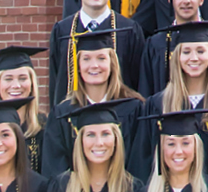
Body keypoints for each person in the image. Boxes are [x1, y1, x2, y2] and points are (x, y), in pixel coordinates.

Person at [132, 22, 208, 192]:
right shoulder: (158, 104)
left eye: (200, 51)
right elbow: (142, 162)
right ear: (176, 57)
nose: (194, 58)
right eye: (186, 52)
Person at [43, 26, 144, 179]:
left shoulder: (134, 108)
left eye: (101, 58)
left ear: (112, 63)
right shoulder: (62, 114)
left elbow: (139, 165)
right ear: (77, 66)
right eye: (86, 59)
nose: (94, 65)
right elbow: (54, 172)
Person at [48, 0, 143, 107]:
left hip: (120, 118)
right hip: (70, 120)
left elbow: (138, 80)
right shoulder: (63, 31)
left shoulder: (129, 30)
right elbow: (55, 81)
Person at [0, 46, 48, 174]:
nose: (16, 86)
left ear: (32, 83)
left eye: (22, 78)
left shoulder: (44, 126)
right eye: (8, 79)